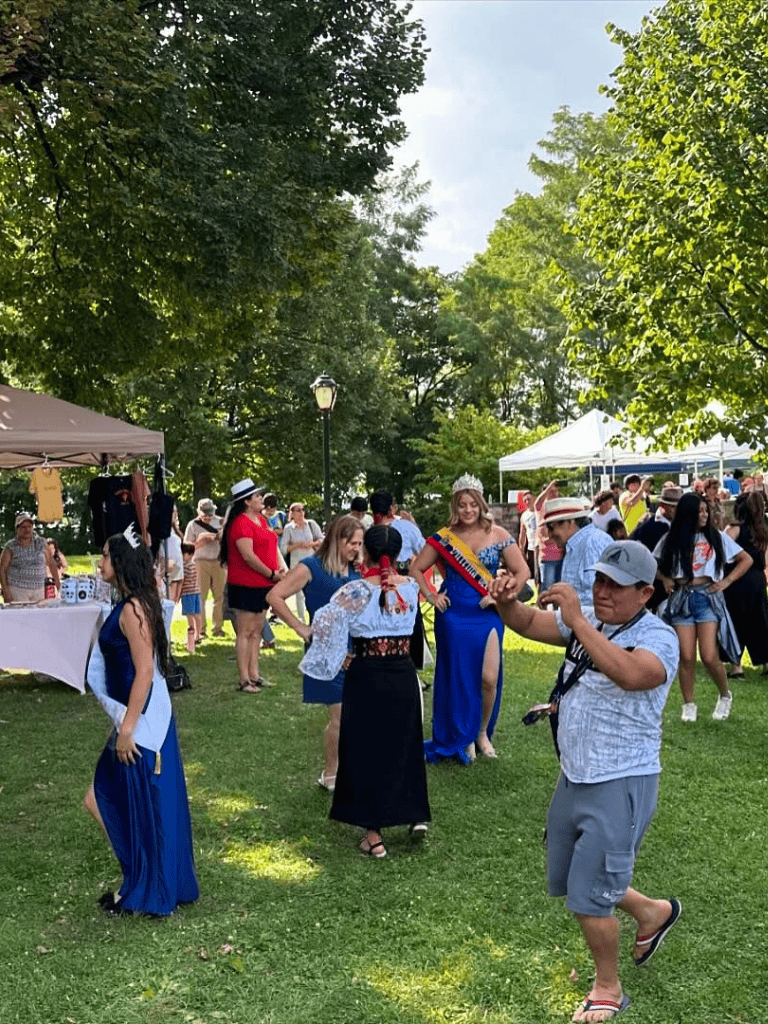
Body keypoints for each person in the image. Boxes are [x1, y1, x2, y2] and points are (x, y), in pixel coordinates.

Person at [490, 541, 682, 1024]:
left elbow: (633, 674)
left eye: (616, 585)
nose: (601, 591)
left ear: (645, 593)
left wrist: (578, 622)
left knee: (589, 897)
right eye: (598, 580)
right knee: (575, 869)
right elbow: (529, 623)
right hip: (576, 772)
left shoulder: (658, 637)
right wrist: (508, 603)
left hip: (621, 778)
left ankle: (608, 988)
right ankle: (651, 912)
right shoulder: (591, 620)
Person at [84, 526, 199, 916]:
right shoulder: (132, 604)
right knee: (109, 798)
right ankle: (138, 878)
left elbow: (145, 672)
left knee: (118, 800)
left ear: (120, 562)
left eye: (105, 556)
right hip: (132, 718)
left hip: (142, 723)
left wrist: (128, 728)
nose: (100, 562)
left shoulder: (134, 609)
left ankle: (144, 884)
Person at [300, 524, 430, 858]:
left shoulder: (355, 591)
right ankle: (413, 813)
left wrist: (337, 655)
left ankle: (373, 835)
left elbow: (325, 624)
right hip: (402, 674)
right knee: (403, 744)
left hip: (367, 674)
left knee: (365, 749)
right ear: (398, 555)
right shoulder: (411, 588)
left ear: (365, 552)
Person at [410, 474, 529, 764]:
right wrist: (431, 596)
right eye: (462, 504)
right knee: (458, 677)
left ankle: (482, 732)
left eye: (473, 504)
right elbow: (416, 569)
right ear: (455, 506)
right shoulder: (444, 537)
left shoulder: (497, 533)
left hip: (487, 613)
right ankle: (461, 734)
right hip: (453, 615)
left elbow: (523, 571)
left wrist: (502, 596)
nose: (468, 510)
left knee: (489, 678)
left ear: (481, 505)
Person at [268, 515, 364, 791]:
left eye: (359, 544)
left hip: (356, 651)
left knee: (354, 714)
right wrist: (300, 627)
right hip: (326, 651)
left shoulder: (356, 570)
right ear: (337, 539)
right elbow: (274, 596)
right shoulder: (311, 567)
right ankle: (331, 771)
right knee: (341, 714)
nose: (356, 548)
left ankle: (349, 767)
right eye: (352, 543)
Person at [655, 492, 751, 722]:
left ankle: (725, 695)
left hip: (707, 598)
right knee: (686, 656)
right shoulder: (671, 538)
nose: (705, 515)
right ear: (688, 513)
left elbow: (746, 559)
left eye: (706, 510)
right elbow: (652, 562)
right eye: (700, 511)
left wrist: (726, 581)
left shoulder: (717, 536)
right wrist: (665, 579)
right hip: (681, 598)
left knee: (708, 656)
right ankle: (689, 705)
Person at [220, 478, 284, 692]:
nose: (261, 498)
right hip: (246, 584)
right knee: (245, 632)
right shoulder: (241, 523)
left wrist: (277, 571)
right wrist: (271, 573)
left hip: (263, 583)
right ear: (247, 501)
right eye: (257, 496)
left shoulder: (261, 521)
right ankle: (244, 679)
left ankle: (254, 675)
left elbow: (270, 547)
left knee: (256, 631)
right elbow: (248, 556)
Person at [722, 491, 768, 678]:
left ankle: (736, 667)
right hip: (757, 579)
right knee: (760, 621)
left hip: (737, 579)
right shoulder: (763, 531)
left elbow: (722, 553)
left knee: (736, 622)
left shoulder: (734, 529)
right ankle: (766, 663)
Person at [540, 498, 612, 607]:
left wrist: (561, 601)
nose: (549, 535)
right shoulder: (578, 544)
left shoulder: (592, 542)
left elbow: (595, 599)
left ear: (570, 522)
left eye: (551, 527)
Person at [183, 498, 228, 637]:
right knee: (201, 596)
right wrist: (200, 541)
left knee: (219, 597)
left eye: (210, 514)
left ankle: (218, 628)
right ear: (198, 511)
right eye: (205, 514)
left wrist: (220, 537)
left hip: (218, 561)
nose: (208, 517)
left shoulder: (221, 522)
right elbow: (186, 546)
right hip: (200, 562)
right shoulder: (192, 525)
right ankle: (201, 629)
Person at [1, 512, 59, 603]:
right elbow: (2, 570)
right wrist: (5, 591)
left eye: (29, 526)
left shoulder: (41, 543)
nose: (27, 529)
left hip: (40, 589)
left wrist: (58, 585)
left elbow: (52, 564)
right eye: (23, 527)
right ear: (17, 529)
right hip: (17, 590)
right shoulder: (10, 547)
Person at [280, 503, 323, 621]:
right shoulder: (289, 528)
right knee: (299, 593)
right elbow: (283, 549)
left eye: (302, 510)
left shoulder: (311, 524)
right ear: (292, 513)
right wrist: (297, 545)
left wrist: (312, 544)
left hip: (312, 562)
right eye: (298, 510)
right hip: (297, 564)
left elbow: (322, 539)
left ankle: (315, 617)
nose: (301, 513)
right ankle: (301, 619)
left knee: (314, 590)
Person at [181, 543, 202, 652]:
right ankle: (198, 635)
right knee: (197, 615)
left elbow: (182, 579)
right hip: (196, 592)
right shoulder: (194, 565)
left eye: (183, 554)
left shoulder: (185, 567)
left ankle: (192, 637)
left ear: (190, 555)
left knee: (190, 616)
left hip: (188, 593)